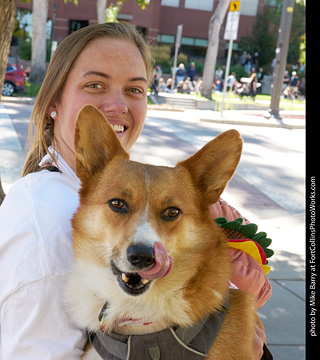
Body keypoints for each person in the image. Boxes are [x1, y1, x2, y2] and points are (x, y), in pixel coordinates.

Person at [0, 22, 270, 359]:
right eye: (95, 84)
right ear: (54, 100)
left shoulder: (87, 185)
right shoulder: (47, 215)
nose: (117, 104)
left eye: (134, 89)